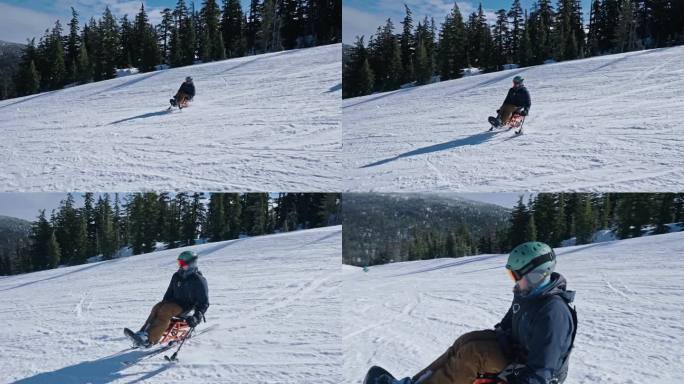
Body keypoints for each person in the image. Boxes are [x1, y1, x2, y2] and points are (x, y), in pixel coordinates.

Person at [369, 242, 577, 384]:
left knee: (473, 353)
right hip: (517, 352)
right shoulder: (527, 294)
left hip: (530, 372)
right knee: (466, 341)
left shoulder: (553, 313)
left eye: (516, 275)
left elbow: (543, 370)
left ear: (536, 275)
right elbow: (507, 325)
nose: (513, 280)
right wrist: (490, 338)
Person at [128, 250, 209, 347]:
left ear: (191, 264)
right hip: (175, 303)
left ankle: (150, 339)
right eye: (179, 263)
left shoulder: (198, 280)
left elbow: (204, 303)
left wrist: (196, 317)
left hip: (187, 307)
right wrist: (162, 304)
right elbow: (169, 293)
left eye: (182, 263)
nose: (180, 265)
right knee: (157, 307)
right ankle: (143, 334)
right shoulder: (177, 276)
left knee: (165, 311)